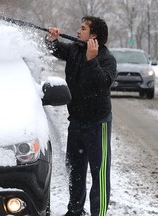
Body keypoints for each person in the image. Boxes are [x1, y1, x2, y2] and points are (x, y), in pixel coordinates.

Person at [45, 16, 117, 216]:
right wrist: (52, 39)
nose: (78, 31)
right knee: (75, 171)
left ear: (93, 36)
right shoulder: (75, 49)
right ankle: (75, 210)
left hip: (98, 124)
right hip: (76, 122)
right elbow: (56, 50)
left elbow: (102, 83)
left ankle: (98, 214)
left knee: (99, 174)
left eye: (83, 28)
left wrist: (92, 60)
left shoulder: (107, 59)